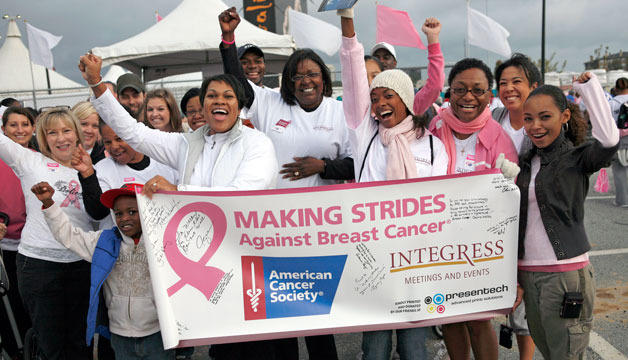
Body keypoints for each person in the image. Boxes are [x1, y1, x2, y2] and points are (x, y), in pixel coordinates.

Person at [219, 7, 352, 359]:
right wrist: (228, 39)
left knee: (318, 317)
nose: (305, 81)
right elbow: (236, 82)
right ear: (288, 81)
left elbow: (356, 164)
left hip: (321, 230)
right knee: (281, 318)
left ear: (323, 78)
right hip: (276, 230)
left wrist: (321, 166)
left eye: (311, 74)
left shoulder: (339, 113)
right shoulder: (270, 103)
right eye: (297, 76)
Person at [338, 8, 447, 359]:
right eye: (375, 97)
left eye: (389, 96)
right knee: (375, 347)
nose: (380, 103)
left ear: (408, 100)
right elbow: (354, 75)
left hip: (417, 260)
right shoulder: (365, 135)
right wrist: (347, 18)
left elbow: (444, 201)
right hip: (374, 261)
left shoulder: (432, 145)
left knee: (415, 347)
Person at [517, 72, 619, 359]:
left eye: (544, 117)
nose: (535, 126)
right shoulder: (525, 162)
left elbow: (609, 141)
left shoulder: (576, 158)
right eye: (528, 119)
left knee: (567, 355)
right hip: (528, 274)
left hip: (564, 277)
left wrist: (589, 88)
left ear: (563, 117)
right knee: (550, 352)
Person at [79, 53, 277, 192]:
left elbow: (243, 193)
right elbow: (134, 133)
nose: (219, 101)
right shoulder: (186, 144)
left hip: (244, 246)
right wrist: (96, 83)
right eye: (211, 95)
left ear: (240, 106)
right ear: (203, 106)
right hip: (198, 246)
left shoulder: (258, 143)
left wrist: (179, 191)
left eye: (228, 96)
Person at [428, 58, 518, 360]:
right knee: (450, 316)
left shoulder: (499, 138)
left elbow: (507, 204)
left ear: (489, 96)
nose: (469, 96)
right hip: (438, 242)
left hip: (481, 247)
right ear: (448, 93)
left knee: (479, 319)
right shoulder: (435, 127)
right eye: (460, 89)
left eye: (478, 90)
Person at [31, 182, 174, 359]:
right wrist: (49, 205)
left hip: (157, 333)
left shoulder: (163, 243)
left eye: (132, 212)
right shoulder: (104, 242)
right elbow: (69, 236)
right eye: (118, 214)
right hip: (119, 335)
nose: (124, 218)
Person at [0, 107, 93, 359]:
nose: (60, 138)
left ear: (77, 134)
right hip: (39, 267)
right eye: (52, 132)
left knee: (80, 342)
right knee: (51, 345)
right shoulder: (29, 160)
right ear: (42, 137)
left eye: (66, 131)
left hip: (81, 264)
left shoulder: (91, 168)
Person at [493, 53, 541, 360]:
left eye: (517, 82)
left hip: (530, 217)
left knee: (525, 299)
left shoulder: (539, 121)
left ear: (533, 86)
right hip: (495, 216)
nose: (509, 88)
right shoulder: (494, 117)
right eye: (503, 83)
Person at [0, 107, 34, 358]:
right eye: (13, 125)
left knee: (32, 307)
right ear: (3, 130)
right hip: (5, 248)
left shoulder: (40, 159)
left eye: (25, 124)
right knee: (10, 310)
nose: (20, 130)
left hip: (33, 249)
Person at [608, 77, 628, 207]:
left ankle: (622, 200)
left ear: (616, 89)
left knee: (619, 170)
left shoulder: (611, 103)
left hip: (619, 139)